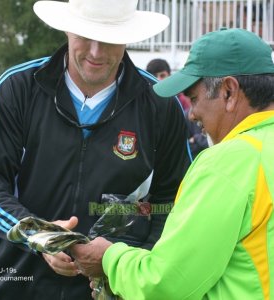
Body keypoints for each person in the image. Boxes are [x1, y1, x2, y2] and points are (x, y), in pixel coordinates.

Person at [0, 0, 191, 299]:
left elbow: (174, 201)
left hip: (112, 289)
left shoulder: (159, 104)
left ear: (128, 35)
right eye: (85, 36)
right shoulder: (18, 87)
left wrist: (123, 262)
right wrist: (39, 236)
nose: (95, 52)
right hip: (10, 281)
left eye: (109, 38)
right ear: (67, 29)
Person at [72, 28, 274, 299]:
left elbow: (166, 284)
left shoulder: (227, 163)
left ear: (229, 91)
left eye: (194, 98)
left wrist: (109, 258)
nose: (192, 114)